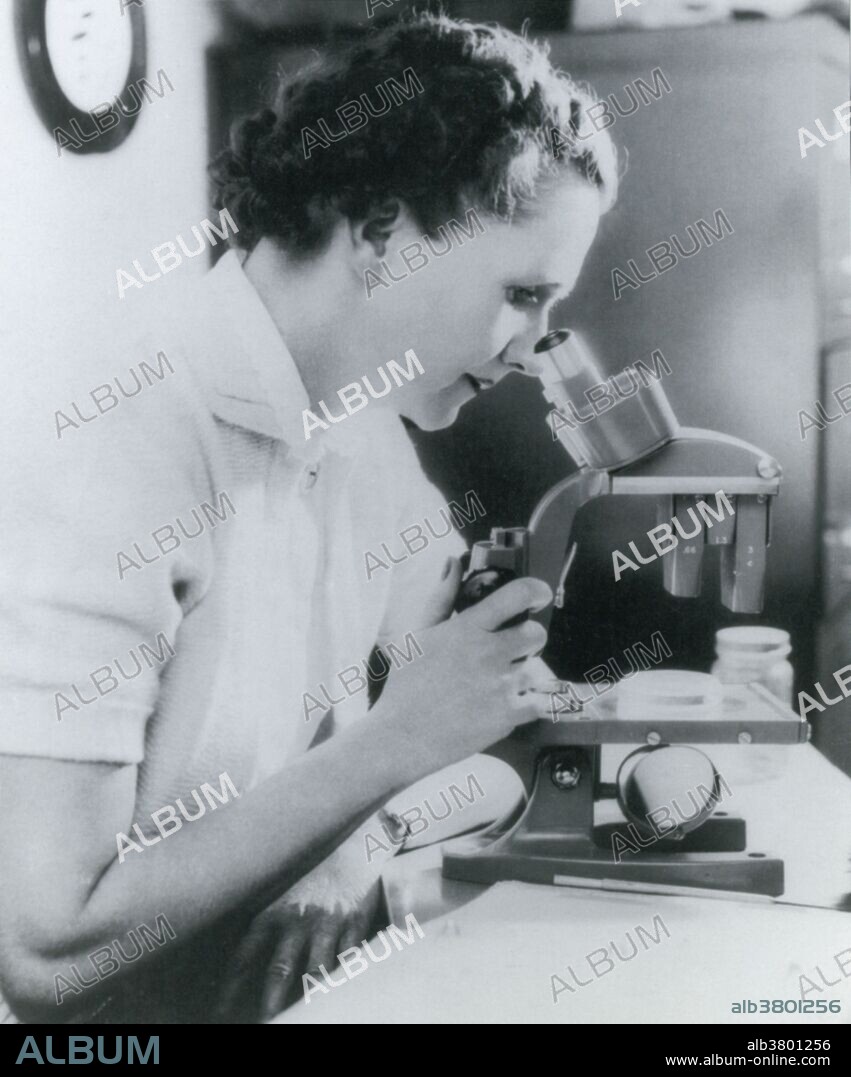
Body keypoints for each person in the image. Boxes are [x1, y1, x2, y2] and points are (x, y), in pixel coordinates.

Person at [0, 13, 617, 1023]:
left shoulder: (361, 430)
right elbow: (46, 949)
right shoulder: (112, 435)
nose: (529, 351)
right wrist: (384, 752)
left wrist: (349, 847)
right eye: (521, 293)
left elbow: (480, 731)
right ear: (381, 231)